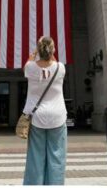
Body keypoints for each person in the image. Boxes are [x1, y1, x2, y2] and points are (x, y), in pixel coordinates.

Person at [22, 36, 67, 185]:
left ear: (39, 50)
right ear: (53, 50)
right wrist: (48, 49)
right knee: (57, 156)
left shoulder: (30, 68)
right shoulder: (60, 67)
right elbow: (52, 60)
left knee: (36, 156)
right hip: (58, 116)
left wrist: (36, 50)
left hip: (37, 117)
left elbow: (29, 61)